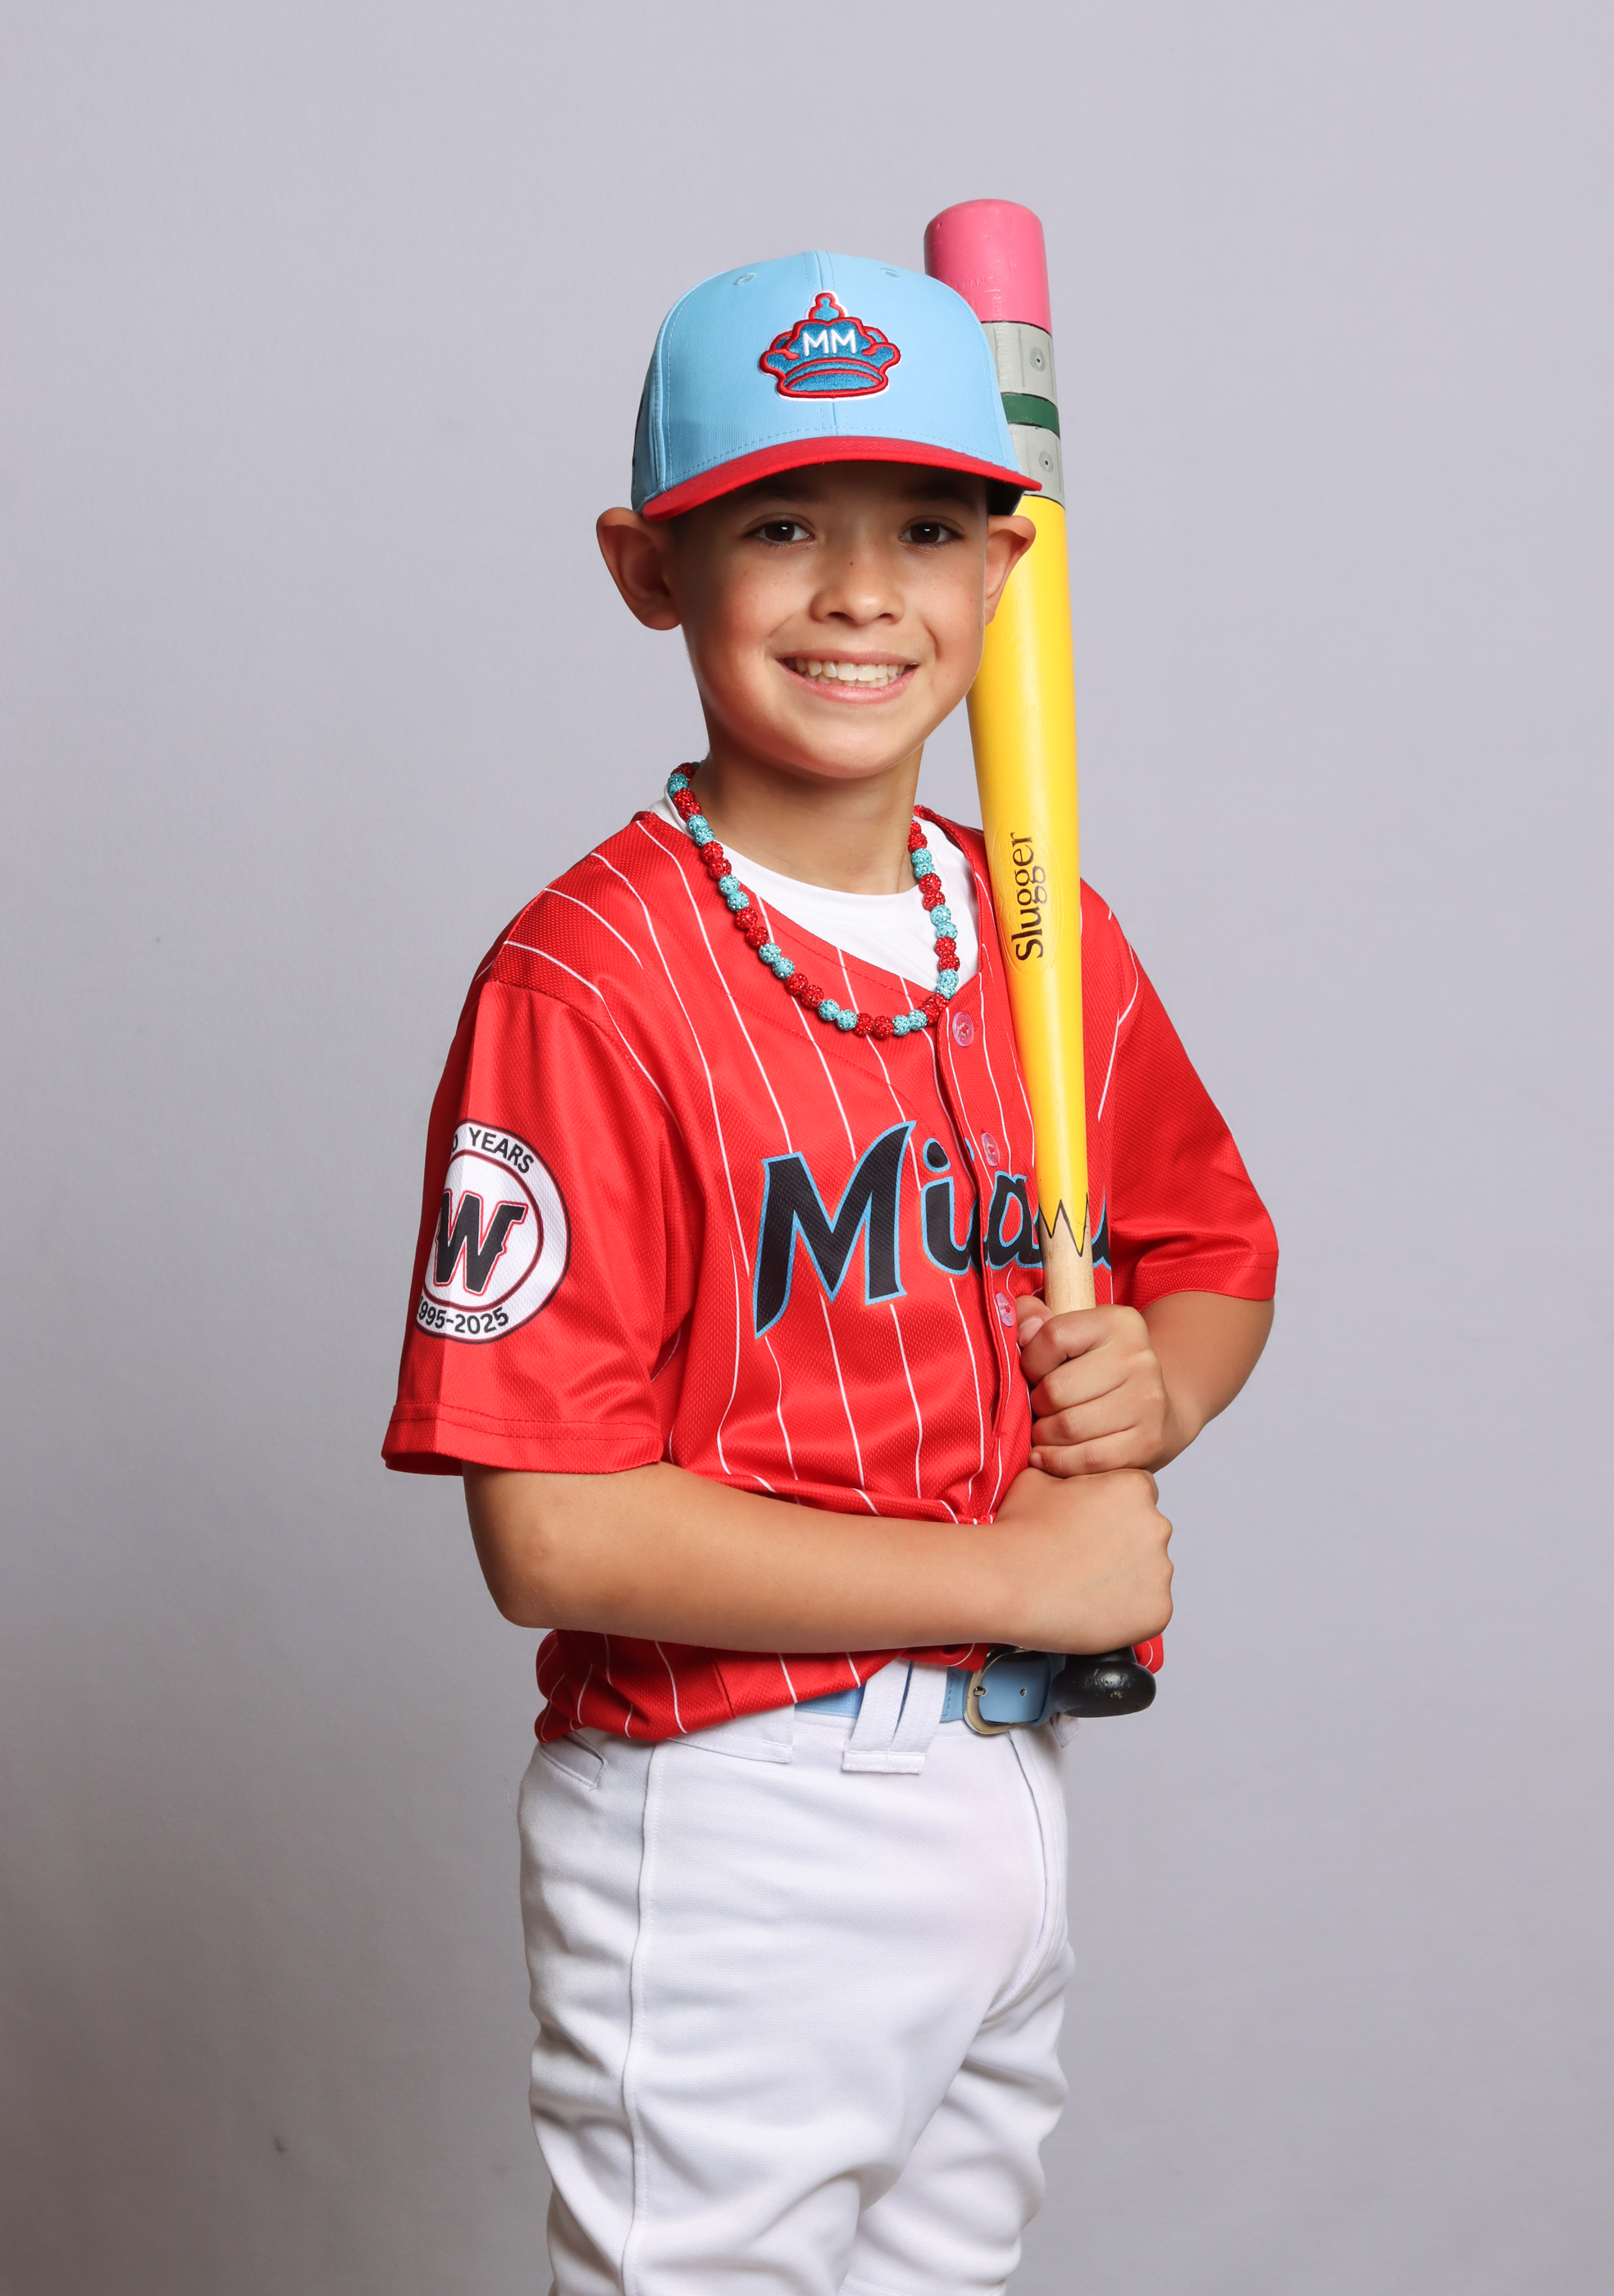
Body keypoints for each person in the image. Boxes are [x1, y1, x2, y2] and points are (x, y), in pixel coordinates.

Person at [383, 249, 1276, 2296]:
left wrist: (1162, 1385)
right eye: (782, 524)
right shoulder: (585, 981)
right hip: (732, 1809)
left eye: (928, 529)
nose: (863, 591)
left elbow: (1211, 1253)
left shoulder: (1034, 925)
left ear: (1004, 570)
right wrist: (1018, 1572)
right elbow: (553, 1526)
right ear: (651, 567)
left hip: (1006, 1774)